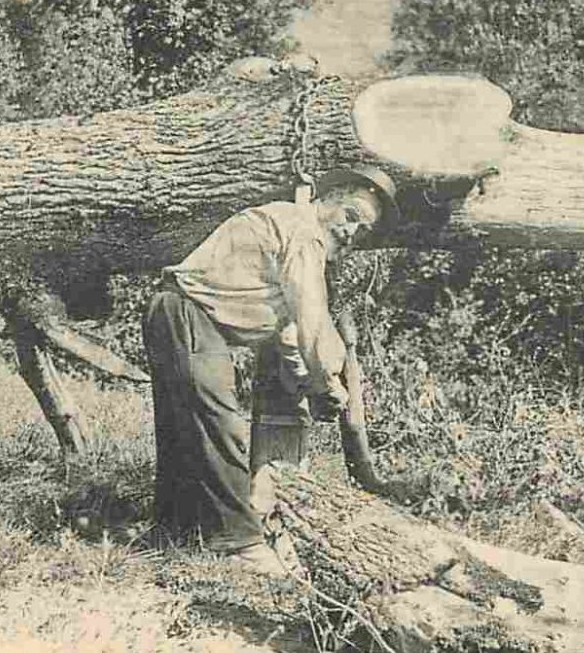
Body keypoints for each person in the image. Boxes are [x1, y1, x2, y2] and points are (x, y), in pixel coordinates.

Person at [144, 165, 397, 573]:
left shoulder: (292, 228)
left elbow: (289, 332)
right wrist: (326, 384)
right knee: (220, 424)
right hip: (188, 313)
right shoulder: (305, 234)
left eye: (362, 230)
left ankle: (173, 531)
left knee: (183, 429)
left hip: (177, 313)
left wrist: (311, 382)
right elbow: (311, 322)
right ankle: (241, 543)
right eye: (351, 216)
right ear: (328, 200)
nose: (351, 232)